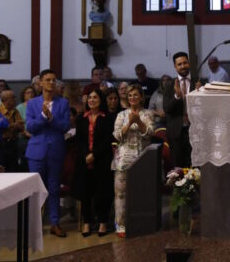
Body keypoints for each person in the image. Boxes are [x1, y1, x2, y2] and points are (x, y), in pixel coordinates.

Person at [25, 68, 71, 238]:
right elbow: (30, 127)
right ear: (41, 83)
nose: (52, 83)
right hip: (36, 150)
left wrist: (51, 118)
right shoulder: (32, 103)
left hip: (56, 150)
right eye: (48, 80)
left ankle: (54, 222)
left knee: (53, 188)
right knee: (36, 189)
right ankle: (34, 224)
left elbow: (65, 126)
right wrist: (43, 118)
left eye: (54, 80)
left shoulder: (63, 103)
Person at [112, 84, 154, 237]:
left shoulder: (148, 114)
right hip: (124, 159)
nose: (132, 98)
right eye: (130, 96)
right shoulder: (121, 115)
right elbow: (117, 136)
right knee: (121, 194)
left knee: (142, 192)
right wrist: (130, 122)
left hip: (143, 158)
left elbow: (150, 133)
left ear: (141, 97)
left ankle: (142, 222)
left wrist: (139, 121)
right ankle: (121, 224)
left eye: (136, 95)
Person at [73, 89, 114, 237]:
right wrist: (86, 155)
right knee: (86, 192)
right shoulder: (81, 118)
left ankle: (103, 222)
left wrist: (94, 155)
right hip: (84, 160)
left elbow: (108, 139)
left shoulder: (108, 118)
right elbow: (79, 140)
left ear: (101, 100)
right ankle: (87, 222)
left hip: (102, 159)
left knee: (102, 192)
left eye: (95, 97)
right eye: (89, 97)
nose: (91, 100)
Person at [163, 52, 192, 168]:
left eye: (185, 63)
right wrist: (177, 96)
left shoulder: (198, 81)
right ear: (175, 67)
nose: (183, 66)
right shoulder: (169, 85)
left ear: (189, 63)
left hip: (195, 131)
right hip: (176, 133)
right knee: (178, 167)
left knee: (195, 166)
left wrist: (200, 94)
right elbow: (166, 109)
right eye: (179, 64)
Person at [0, 89, 24, 172]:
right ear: (6, 100)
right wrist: (13, 125)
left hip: (13, 143)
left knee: (14, 168)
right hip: (1, 144)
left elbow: (21, 127)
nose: (15, 99)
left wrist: (11, 126)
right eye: (13, 97)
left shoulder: (15, 111)